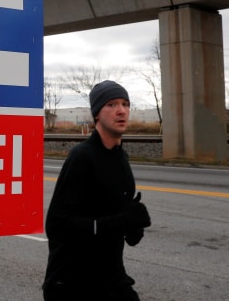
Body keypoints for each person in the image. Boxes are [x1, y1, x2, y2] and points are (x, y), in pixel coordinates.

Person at [42, 80, 151, 301]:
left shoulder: (121, 158)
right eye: (111, 104)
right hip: (73, 283)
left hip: (111, 278)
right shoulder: (82, 157)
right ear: (97, 114)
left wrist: (133, 227)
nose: (121, 110)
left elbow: (115, 219)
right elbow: (57, 226)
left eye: (125, 103)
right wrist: (122, 221)